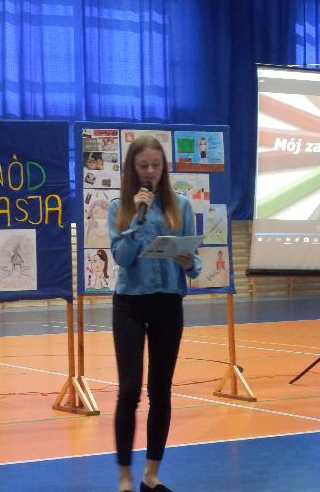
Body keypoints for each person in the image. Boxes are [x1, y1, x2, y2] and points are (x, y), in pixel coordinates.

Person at [108, 135, 201, 492]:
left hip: (168, 303)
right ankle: (124, 479)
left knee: (160, 391)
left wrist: (188, 261)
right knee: (129, 389)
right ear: (133, 169)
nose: (150, 171)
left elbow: (194, 264)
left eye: (156, 165)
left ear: (164, 167)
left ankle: (151, 476)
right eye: (143, 165)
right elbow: (121, 258)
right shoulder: (120, 207)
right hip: (130, 303)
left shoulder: (181, 207)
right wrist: (137, 220)